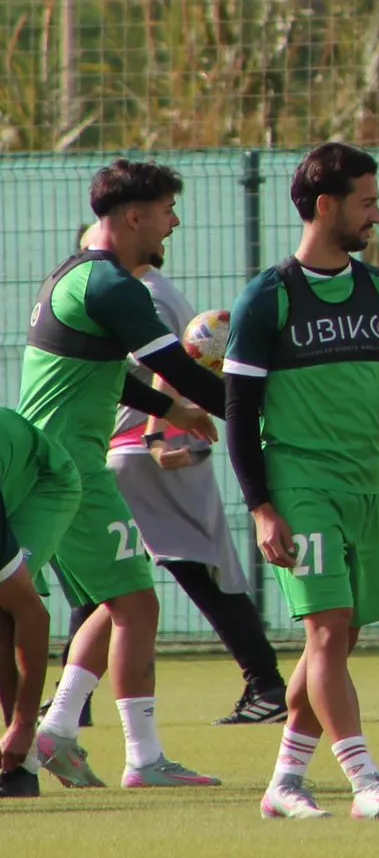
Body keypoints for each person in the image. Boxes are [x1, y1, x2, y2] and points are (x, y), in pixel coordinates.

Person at [227, 142, 379, 820]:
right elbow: (239, 413)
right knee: (326, 633)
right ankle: (363, 778)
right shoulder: (268, 297)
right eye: (367, 201)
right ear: (328, 206)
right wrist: (262, 507)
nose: (376, 214)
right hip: (300, 482)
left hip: (364, 485)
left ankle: (285, 780)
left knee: (339, 641)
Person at [25, 159, 225, 790]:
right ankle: (141, 759)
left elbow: (117, 377)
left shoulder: (76, 275)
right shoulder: (114, 287)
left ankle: (57, 730)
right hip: (67, 472)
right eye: (167, 211)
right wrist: (259, 412)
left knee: (117, 599)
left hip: (41, 465)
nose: (174, 224)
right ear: (133, 216)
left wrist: (177, 411)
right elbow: (181, 367)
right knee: (135, 602)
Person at [92, 243, 287, 726]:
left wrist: (158, 435)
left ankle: (266, 684)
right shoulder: (144, 293)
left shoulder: (145, 296)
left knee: (191, 570)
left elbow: (174, 363)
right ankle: (71, 701)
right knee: (112, 577)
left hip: (158, 456)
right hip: (148, 452)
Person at [0, 407, 82, 798]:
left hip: (43, 485)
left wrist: (23, 721)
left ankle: (21, 763)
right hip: (10, 467)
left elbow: (33, 616)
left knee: (6, 610)